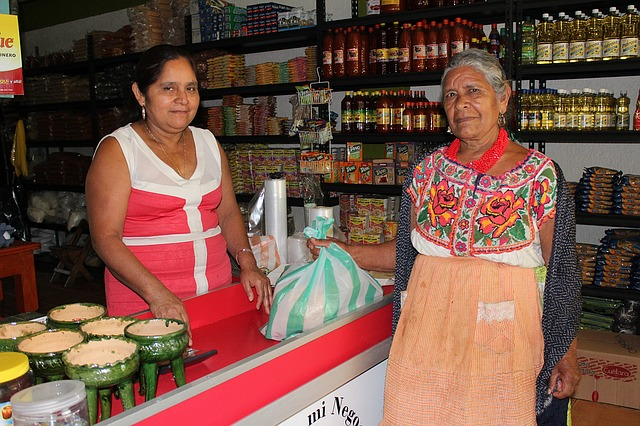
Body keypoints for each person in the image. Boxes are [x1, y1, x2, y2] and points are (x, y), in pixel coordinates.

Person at [310, 49, 581, 425]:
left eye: (474, 91)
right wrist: (342, 251)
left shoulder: (540, 175)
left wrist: (566, 353)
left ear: (503, 98)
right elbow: (404, 254)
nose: (461, 104)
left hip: (501, 341)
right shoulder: (425, 173)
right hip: (426, 333)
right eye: (451, 96)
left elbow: (562, 272)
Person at [86, 45, 272, 338]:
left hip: (216, 295)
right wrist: (158, 295)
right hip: (147, 305)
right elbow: (105, 238)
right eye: (168, 88)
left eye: (191, 88)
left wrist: (247, 262)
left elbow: (227, 212)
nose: (183, 99)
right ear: (140, 93)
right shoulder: (119, 150)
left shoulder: (209, 143)